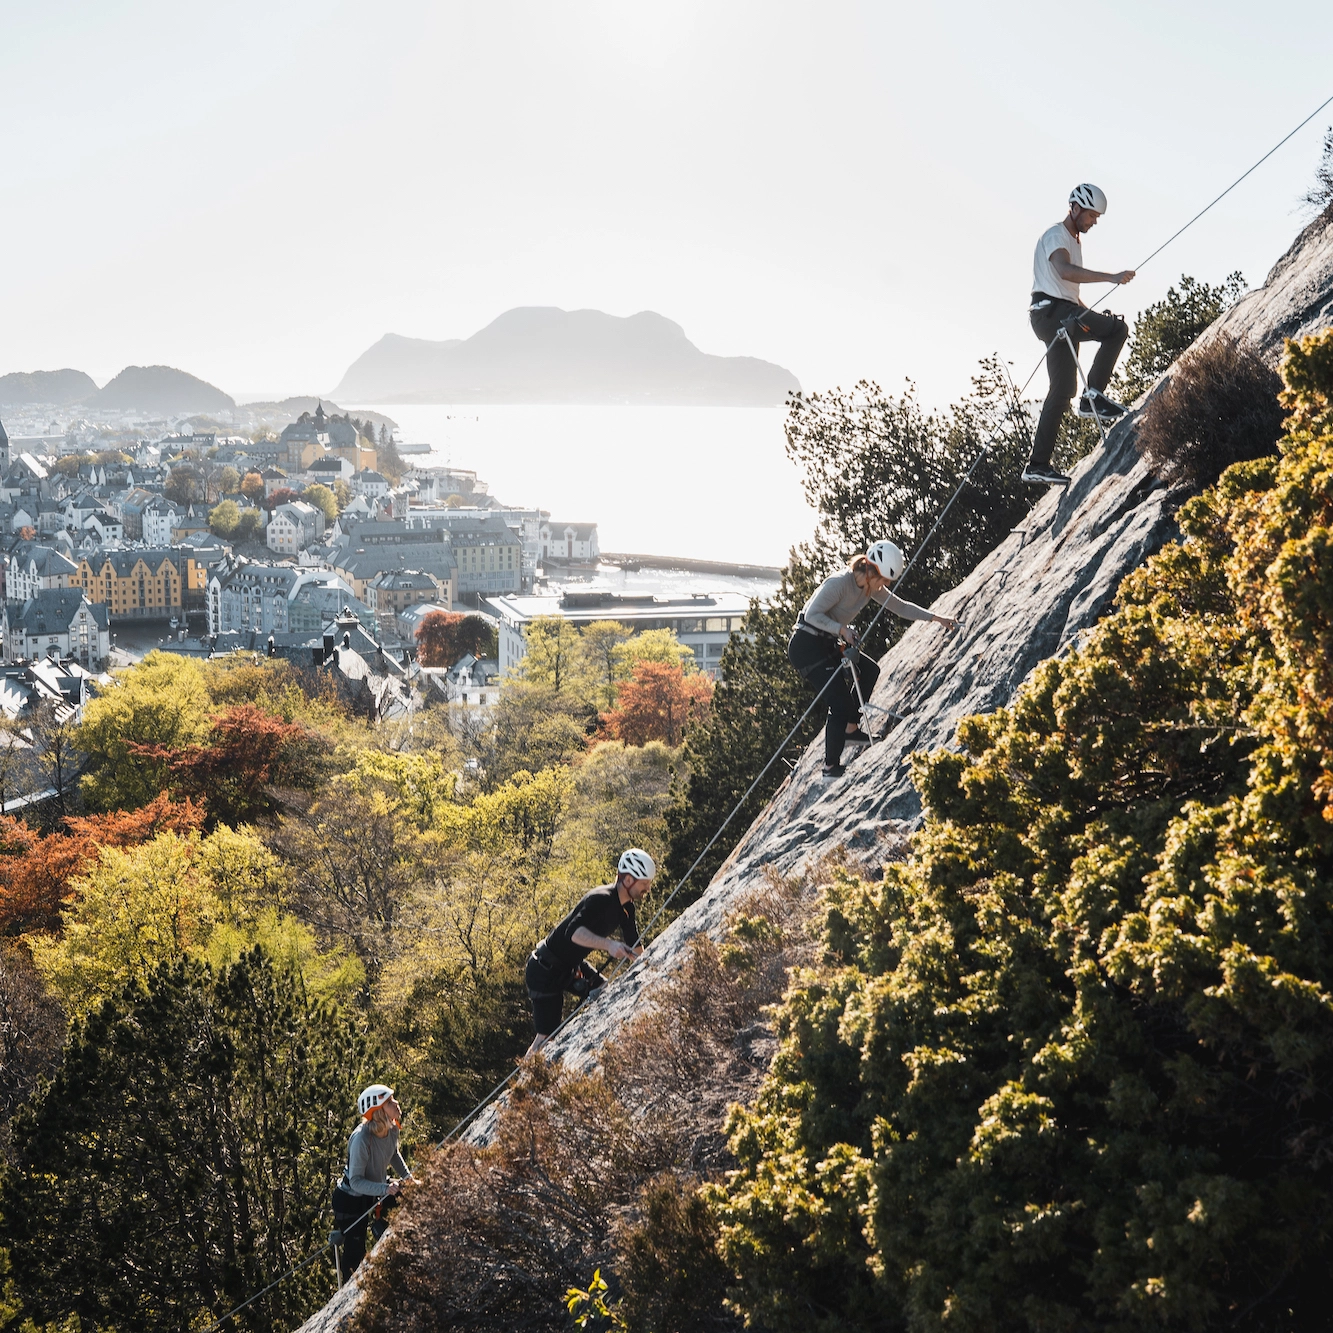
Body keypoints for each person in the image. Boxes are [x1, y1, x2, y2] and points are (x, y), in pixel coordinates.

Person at [788, 540, 958, 778]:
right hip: (806, 646)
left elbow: (901, 607)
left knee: (869, 670)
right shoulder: (839, 584)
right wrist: (842, 630)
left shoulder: (871, 588)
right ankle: (830, 768)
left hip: (825, 642)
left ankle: (850, 730)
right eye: (884, 579)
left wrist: (936, 618)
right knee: (838, 702)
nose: (886, 585)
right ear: (871, 571)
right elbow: (811, 615)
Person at [1023, 183, 1137, 487]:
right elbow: (1064, 272)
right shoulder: (1056, 236)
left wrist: (1091, 313)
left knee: (1062, 390)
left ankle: (1037, 465)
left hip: (1060, 314)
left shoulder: (1074, 241)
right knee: (1117, 330)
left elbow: (1069, 293)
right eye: (1091, 215)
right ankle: (1093, 398)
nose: (1094, 221)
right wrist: (1111, 277)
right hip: (1051, 314)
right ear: (1075, 208)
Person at [524, 848, 654, 1056]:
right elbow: (573, 933)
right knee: (546, 1037)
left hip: (571, 966)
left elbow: (634, 943)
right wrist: (609, 945)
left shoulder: (627, 908)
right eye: (644, 883)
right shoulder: (600, 899)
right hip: (544, 970)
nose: (647, 888)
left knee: (604, 990)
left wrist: (649, 967)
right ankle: (525, 1082)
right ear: (628, 880)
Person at [331, 1084, 412, 1280]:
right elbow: (356, 1181)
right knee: (355, 1253)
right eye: (390, 1102)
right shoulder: (361, 1139)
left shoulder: (392, 1127)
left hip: (373, 1192)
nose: (396, 1104)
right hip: (350, 1200)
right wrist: (385, 1188)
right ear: (378, 1111)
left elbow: (393, 1153)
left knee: (407, 1198)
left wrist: (408, 1178)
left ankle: (385, 1235)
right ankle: (349, 1294)